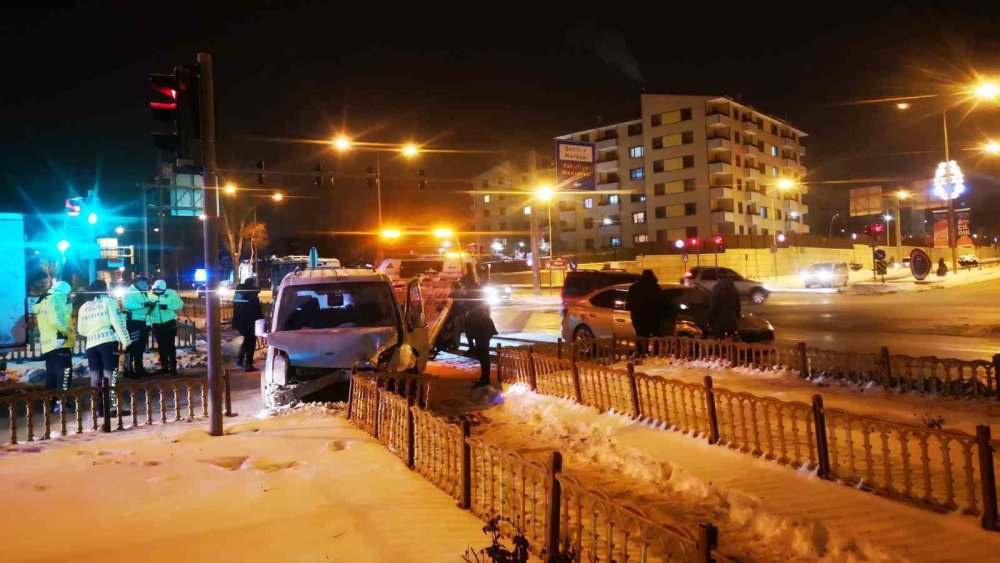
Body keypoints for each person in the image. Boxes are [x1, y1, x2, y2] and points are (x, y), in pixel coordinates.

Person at [77, 280, 131, 415]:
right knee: (110, 375)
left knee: (95, 377)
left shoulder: (84, 307)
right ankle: (112, 408)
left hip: (91, 345)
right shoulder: (109, 302)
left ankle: (97, 409)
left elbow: (80, 330)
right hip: (107, 342)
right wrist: (125, 340)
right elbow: (118, 322)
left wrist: (92, 332)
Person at [36, 280, 75, 412]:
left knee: (51, 375)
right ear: (64, 291)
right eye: (69, 293)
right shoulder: (56, 298)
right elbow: (56, 319)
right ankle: (61, 403)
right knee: (64, 373)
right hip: (60, 341)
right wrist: (66, 331)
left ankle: (50, 403)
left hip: (48, 344)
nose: (70, 296)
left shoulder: (43, 301)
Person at [147, 280, 185, 376]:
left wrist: (168, 306)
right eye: (156, 290)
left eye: (160, 291)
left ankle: (173, 368)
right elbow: (146, 308)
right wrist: (150, 308)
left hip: (169, 322)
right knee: (161, 346)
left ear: (164, 289)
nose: (157, 292)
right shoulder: (149, 294)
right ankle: (164, 367)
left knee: (170, 345)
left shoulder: (171, 293)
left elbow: (180, 305)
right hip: (156, 323)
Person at [627, 269, 665, 356]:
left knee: (641, 336)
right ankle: (655, 354)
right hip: (653, 316)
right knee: (656, 336)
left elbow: (630, 303)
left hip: (638, 317)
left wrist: (634, 313)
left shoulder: (634, 287)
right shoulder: (655, 287)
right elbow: (660, 302)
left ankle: (641, 353)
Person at [122, 275, 152, 378]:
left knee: (140, 347)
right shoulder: (130, 291)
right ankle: (128, 370)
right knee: (132, 347)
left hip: (142, 323)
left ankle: (139, 368)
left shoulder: (142, 292)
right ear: (139, 283)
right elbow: (127, 305)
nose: (147, 286)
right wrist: (144, 305)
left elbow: (146, 311)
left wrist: (148, 324)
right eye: (145, 284)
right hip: (133, 323)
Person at [232, 278, 264, 371]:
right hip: (250, 322)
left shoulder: (238, 292)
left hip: (239, 321)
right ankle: (248, 364)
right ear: (252, 283)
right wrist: (261, 320)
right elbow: (256, 309)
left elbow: (235, 306)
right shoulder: (252, 294)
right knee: (251, 342)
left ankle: (240, 358)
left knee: (248, 339)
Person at [468, 303, 498, 388]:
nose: (489, 312)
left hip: (482, 343)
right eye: (488, 311)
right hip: (483, 343)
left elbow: (474, 332)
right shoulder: (486, 320)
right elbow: (493, 332)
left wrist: (482, 337)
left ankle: (485, 380)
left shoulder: (484, 320)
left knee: (484, 361)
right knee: (484, 361)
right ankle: (484, 379)